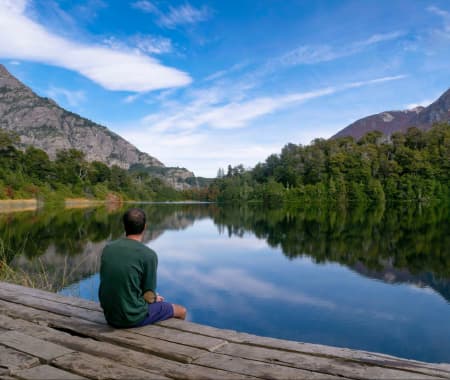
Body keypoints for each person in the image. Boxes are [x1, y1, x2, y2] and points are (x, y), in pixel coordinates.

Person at [99, 208, 186, 328]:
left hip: (110, 315)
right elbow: (149, 297)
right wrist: (155, 298)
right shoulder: (148, 255)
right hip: (131, 318)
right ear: (145, 227)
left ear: (124, 226)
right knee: (181, 311)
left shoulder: (108, 248)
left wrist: (151, 298)